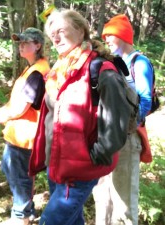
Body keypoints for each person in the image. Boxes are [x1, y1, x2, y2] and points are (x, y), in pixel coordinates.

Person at [28, 9, 135, 225]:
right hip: (56, 163)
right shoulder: (59, 70)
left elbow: (116, 121)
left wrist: (97, 155)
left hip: (80, 168)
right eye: (52, 34)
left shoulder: (100, 69)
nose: (55, 38)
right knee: (72, 220)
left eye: (61, 31)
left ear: (80, 30)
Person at [92, 14, 154, 225]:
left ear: (124, 37)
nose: (107, 39)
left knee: (124, 203)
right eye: (105, 36)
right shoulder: (112, 62)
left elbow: (144, 100)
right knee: (103, 199)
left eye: (111, 35)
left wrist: (128, 127)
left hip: (126, 139)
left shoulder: (140, 62)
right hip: (107, 138)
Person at [0, 27, 50, 225]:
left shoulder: (38, 72)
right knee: (13, 171)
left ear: (38, 45)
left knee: (20, 177)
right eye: (20, 42)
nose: (21, 46)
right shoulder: (33, 68)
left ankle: (21, 217)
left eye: (26, 42)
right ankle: (25, 212)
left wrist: (4, 114)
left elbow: (22, 106)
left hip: (25, 134)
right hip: (19, 133)